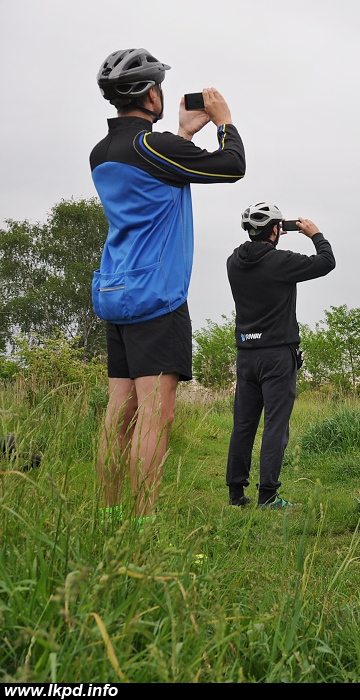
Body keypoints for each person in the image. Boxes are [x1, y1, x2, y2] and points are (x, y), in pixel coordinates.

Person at [91, 49, 246, 524]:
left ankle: (108, 516)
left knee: (120, 412)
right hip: (157, 297)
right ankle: (139, 522)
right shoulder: (154, 149)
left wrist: (181, 134)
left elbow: (158, 181)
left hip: (117, 293)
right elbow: (232, 165)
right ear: (152, 93)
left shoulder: (103, 152)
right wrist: (224, 122)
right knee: (156, 416)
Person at [225, 203, 336, 509]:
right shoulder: (281, 262)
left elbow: (253, 254)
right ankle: (268, 496)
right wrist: (315, 235)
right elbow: (326, 262)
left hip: (246, 354)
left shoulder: (232, 262)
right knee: (276, 425)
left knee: (243, 424)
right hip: (277, 355)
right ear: (276, 229)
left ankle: (236, 494)